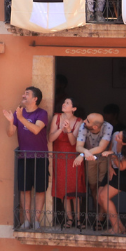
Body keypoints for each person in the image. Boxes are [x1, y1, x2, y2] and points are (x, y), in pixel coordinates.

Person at [5, 86, 49, 228]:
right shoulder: (20, 113)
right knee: (24, 189)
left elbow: (36, 129)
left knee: (40, 189)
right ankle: (27, 220)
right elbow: (10, 133)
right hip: (23, 157)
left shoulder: (42, 113)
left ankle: (36, 220)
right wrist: (12, 121)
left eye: (27, 94)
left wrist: (21, 118)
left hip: (40, 157)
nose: (23, 95)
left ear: (35, 99)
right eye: (24, 93)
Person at [49, 98, 85, 228]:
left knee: (75, 189)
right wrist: (60, 129)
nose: (64, 104)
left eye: (68, 103)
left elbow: (73, 142)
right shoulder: (56, 117)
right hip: (59, 157)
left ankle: (79, 219)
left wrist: (69, 129)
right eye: (64, 102)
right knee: (63, 188)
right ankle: (69, 218)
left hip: (73, 158)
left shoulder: (79, 122)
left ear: (74, 109)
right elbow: (50, 138)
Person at [99, 129, 126, 235]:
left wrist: (112, 155)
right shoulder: (115, 135)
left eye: (119, 137)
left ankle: (116, 228)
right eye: (119, 134)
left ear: (124, 143)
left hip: (125, 174)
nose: (117, 136)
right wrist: (110, 167)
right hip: (113, 169)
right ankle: (121, 228)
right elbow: (109, 151)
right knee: (99, 197)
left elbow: (122, 166)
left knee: (104, 196)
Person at [73, 112, 113, 224]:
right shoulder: (83, 126)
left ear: (95, 127)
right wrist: (85, 152)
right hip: (90, 158)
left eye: (87, 121)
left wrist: (82, 155)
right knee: (93, 186)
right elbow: (78, 147)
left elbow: (101, 147)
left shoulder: (108, 127)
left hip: (104, 158)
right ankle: (97, 213)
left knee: (102, 187)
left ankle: (100, 218)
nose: (84, 121)